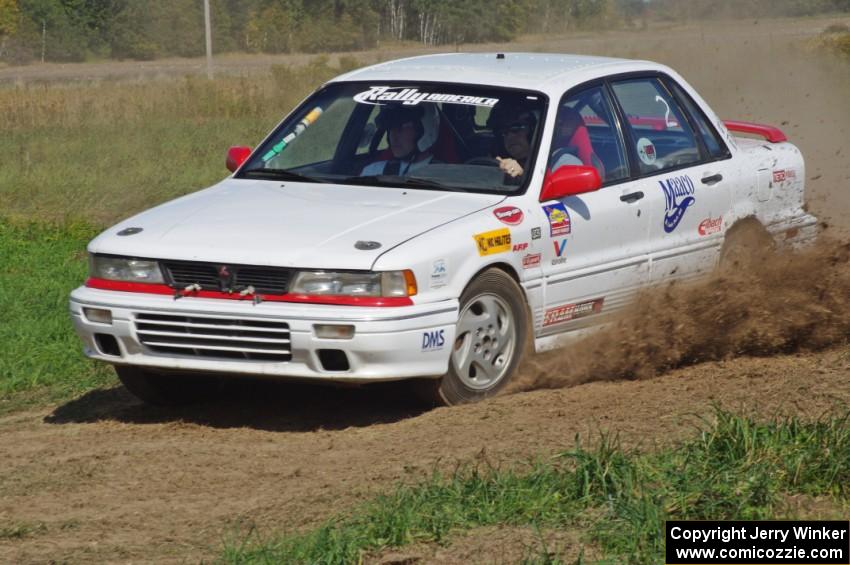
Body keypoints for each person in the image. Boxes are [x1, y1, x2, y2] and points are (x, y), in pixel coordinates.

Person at [361, 104, 439, 176]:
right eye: (391, 128)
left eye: (402, 127)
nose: (393, 136)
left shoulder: (443, 175)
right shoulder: (373, 172)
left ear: (424, 129)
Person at [487, 104, 538, 179]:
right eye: (504, 132)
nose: (509, 137)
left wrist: (521, 175)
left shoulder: (548, 162)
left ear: (533, 131)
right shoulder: (498, 162)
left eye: (516, 128)